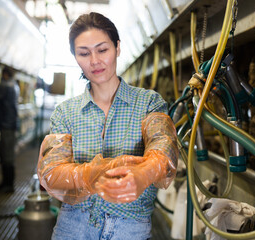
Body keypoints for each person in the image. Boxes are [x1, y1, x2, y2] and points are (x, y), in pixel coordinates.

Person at [37, 12, 178, 240]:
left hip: (129, 226)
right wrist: (93, 173)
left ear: (117, 48)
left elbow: (164, 150)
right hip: (74, 225)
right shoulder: (65, 112)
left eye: (102, 50)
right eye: (84, 53)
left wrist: (143, 174)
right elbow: (51, 171)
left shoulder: (149, 102)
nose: (94, 61)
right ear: (75, 57)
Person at [0, 66, 19, 193]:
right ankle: (6, 183)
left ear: (5, 74)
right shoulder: (15, 86)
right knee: (7, 154)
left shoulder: (5, 86)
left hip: (6, 125)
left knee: (6, 155)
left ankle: (8, 185)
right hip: (10, 124)